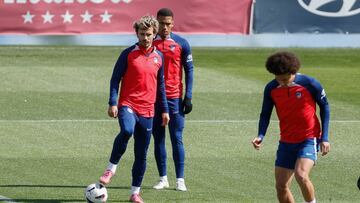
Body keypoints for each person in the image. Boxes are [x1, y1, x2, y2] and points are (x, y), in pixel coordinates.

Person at [99, 15, 170, 203]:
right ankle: (110, 169)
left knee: (141, 153)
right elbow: (115, 79)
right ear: (136, 33)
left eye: (148, 34)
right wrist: (112, 102)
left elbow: (160, 85)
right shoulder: (128, 54)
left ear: (154, 34)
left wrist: (164, 110)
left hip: (148, 111)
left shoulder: (159, 57)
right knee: (127, 130)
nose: (145, 38)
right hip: (128, 104)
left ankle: (134, 193)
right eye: (141, 34)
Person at [252, 51, 330, 203]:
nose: (282, 83)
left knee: (301, 175)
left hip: (309, 137)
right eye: (278, 79)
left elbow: (325, 107)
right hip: (286, 141)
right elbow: (265, 114)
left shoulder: (310, 84)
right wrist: (260, 135)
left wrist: (324, 137)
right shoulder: (271, 88)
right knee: (281, 185)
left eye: (285, 79)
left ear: (293, 72)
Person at [151, 8, 194, 191]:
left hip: (174, 97)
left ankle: (180, 180)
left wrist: (188, 96)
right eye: (161, 23)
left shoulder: (181, 43)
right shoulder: (149, 43)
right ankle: (163, 178)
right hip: (153, 99)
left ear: (173, 23)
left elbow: (189, 70)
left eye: (168, 23)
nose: (165, 27)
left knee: (177, 138)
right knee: (158, 139)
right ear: (156, 22)